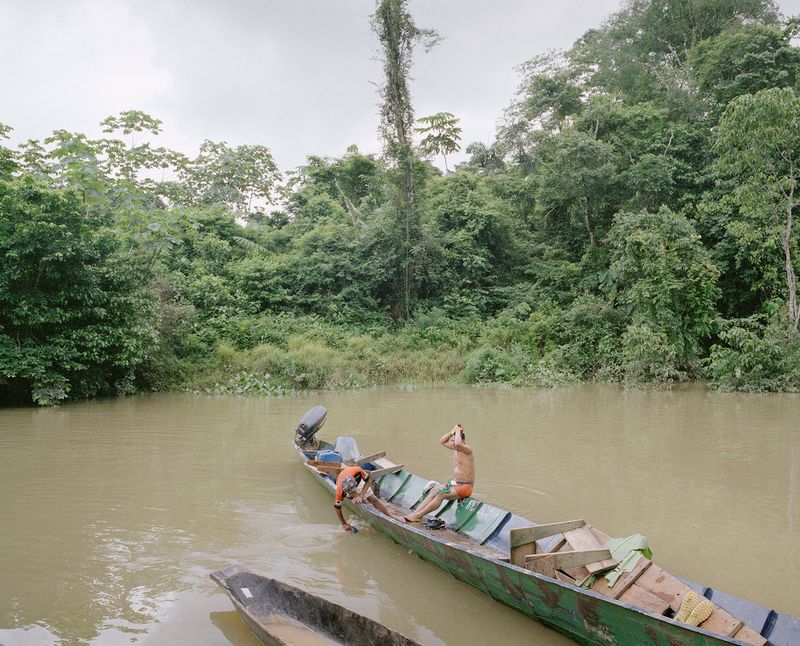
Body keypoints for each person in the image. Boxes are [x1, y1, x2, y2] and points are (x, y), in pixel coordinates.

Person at [404, 424, 474, 523]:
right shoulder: (455, 448)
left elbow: (458, 443)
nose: (452, 443)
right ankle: (415, 513)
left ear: (462, 441)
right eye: (451, 441)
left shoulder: (467, 450)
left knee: (441, 495)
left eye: (454, 441)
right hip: (455, 485)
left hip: (465, 488)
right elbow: (442, 441)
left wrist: (458, 430)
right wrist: (451, 432)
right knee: (434, 490)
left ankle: (419, 516)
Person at [333, 465, 406, 532]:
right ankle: (371, 508)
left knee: (373, 499)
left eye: (353, 490)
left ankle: (392, 516)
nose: (353, 491)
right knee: (363, 502)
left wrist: (361, 495)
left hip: (356, 481)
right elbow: (337, 508)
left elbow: (368, 481)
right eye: (350, 491)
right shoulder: (340, 491)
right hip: (345, 483)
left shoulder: (358, 471)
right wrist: (344, 524)